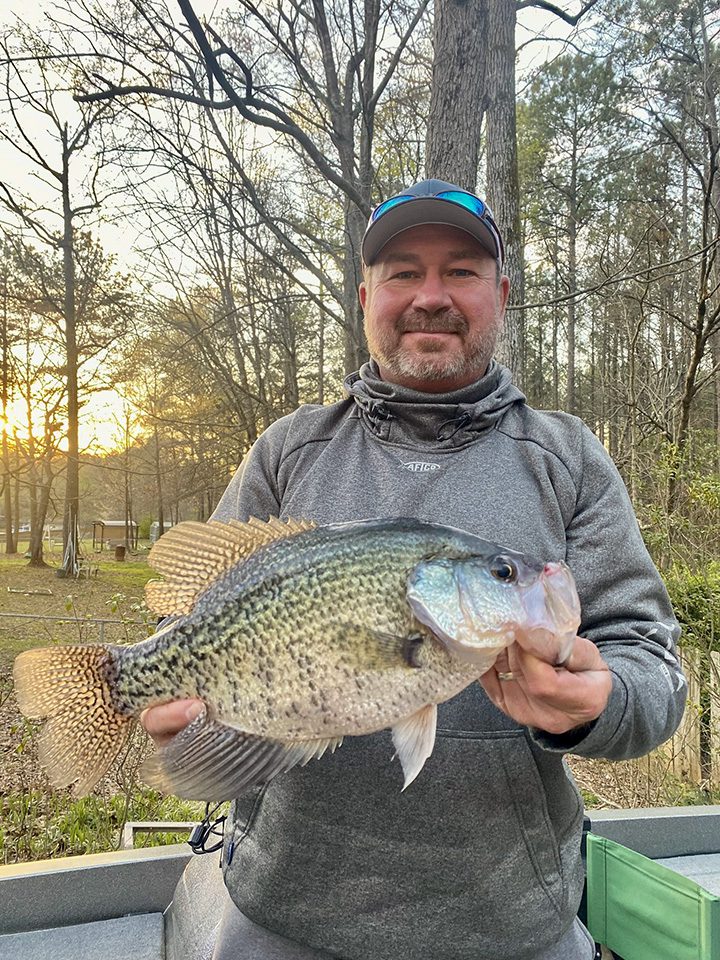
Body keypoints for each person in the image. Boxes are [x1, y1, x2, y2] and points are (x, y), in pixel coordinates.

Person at [142, 179, 686, 960]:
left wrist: (598, 703)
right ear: (365, 295)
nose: (431, 296)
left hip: (513, 929)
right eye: (403, 271)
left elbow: (651, 665)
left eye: (461, 271)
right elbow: (190, 618)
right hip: (282, 921)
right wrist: (175, 686)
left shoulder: (570, 460)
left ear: (500, 293)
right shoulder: (287, 451)